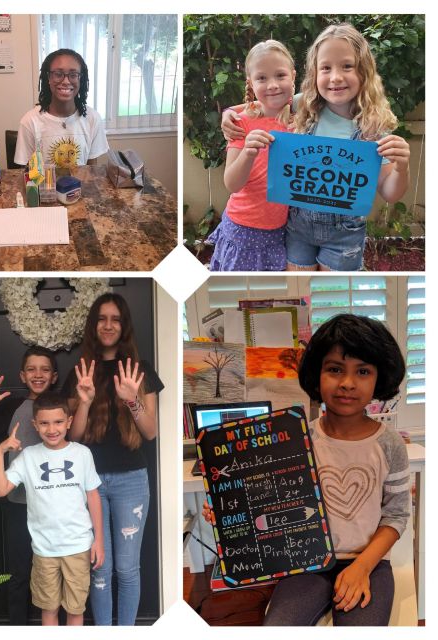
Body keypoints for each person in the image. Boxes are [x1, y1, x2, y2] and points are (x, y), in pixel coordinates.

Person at [204, 314, 409, 625]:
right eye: (335, 369)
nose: (347, 383)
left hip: (370, 563)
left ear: (379, 378)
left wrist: (363, 566)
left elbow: (396, 514)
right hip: (305, 562)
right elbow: (270, 501)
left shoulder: (390, 444)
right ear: (317, 374)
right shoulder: (296, 438)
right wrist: (227, 509)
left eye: (363, 371)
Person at [222, 23, 411, 271]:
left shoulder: (373, 127)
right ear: (315, 73)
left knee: (332, 290)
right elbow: (263, 103)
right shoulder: (305, 105)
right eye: (326, 68)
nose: (335, 77)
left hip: (344, 236)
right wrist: (228, 114)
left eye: (347, 66)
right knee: (300, 291)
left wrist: (402, 167)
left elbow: (390, 193)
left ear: (364, 71)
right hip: (297, 229)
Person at [63, 293, 164, 625]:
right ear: (94, 325)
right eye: (102, 318)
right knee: (100, 566)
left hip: (131, 481)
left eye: (115, 319)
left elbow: (150, 431)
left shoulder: (140, 370)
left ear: (124, 326)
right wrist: (86, 401)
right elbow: (73, 438)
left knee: (127, 567)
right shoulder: (80, 371)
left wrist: (133, 401)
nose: (108, 325)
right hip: (88, 483)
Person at [0, 393, 104, 626]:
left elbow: (93, 496)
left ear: (69, 422)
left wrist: (99, 541)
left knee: (75, 610)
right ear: (35, 425)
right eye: (44, 423)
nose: (51, 429)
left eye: (58, 422)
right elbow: (1, 489)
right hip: (44, 550)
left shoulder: (82, 454)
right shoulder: (28, 457)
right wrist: (0, 452)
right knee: (49, 609)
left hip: (78, 546)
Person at [0, 346, 59, 625]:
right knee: (19, 573)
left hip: (57, 506)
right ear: (22, 375)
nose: (38, 374)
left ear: (54, 376)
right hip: (19, 506)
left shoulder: (63, 406)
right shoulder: (11, 406)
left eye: (45, 369)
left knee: (58, 571)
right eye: (32, 369)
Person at [206, 40, 296, 271]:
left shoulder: (302, 117)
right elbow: (232, 183)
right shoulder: (242, 123)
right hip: (242, 230)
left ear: (293, 76)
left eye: (280, 75)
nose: (273, 85)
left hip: (280, 233)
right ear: (251, 83)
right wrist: (247, 152)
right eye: (262, 78)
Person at [14, 48, 109, 169]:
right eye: (58, 74)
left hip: (79, 187)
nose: (65, 81)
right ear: (48, 77)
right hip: (44, 187)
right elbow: (27, 173)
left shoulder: (92, 118)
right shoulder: (30, 121)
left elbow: (91, 171)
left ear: (81, 79)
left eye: (73, 75)